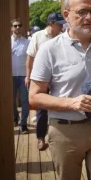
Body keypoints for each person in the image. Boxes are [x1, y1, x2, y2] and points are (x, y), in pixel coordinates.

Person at [29, 0, 91, 180]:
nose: (89, 17)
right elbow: (35, 97)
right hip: (65, 131)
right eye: (82, 12)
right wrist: (73, 103)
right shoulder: (49, 50)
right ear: (66, 15)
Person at [26, 12, 66, 151]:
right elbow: (30, 58)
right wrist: (28, 76)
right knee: (42, 110)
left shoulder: (63, 37)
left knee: (60, 106)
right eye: (59, 24)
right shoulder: (37, 36)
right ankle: (41, 138)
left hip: (59, 78)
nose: (62, 26)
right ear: (51, 23)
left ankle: (59, 138)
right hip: (41, 79)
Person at [11, 18, 30, 134]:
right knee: (11, 100)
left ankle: (23, 124)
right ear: (11, 28)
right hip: (11, 76)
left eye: (20, 25)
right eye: (15, 25)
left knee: (25, 101)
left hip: (24, 76)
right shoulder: (6, 41)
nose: (18, 28)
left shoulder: (27, 42)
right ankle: (15, 118)